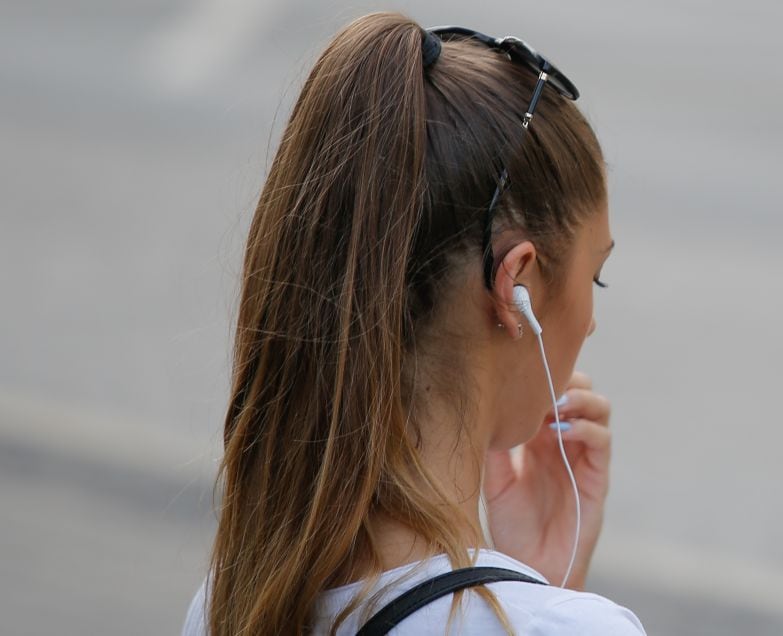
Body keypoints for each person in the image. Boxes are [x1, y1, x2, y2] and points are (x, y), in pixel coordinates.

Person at [182, 10, 644, 635]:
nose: (590, 323)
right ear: (519, 286)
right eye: (596, 277)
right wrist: (550, 600)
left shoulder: (226, 605)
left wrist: (529, 579)